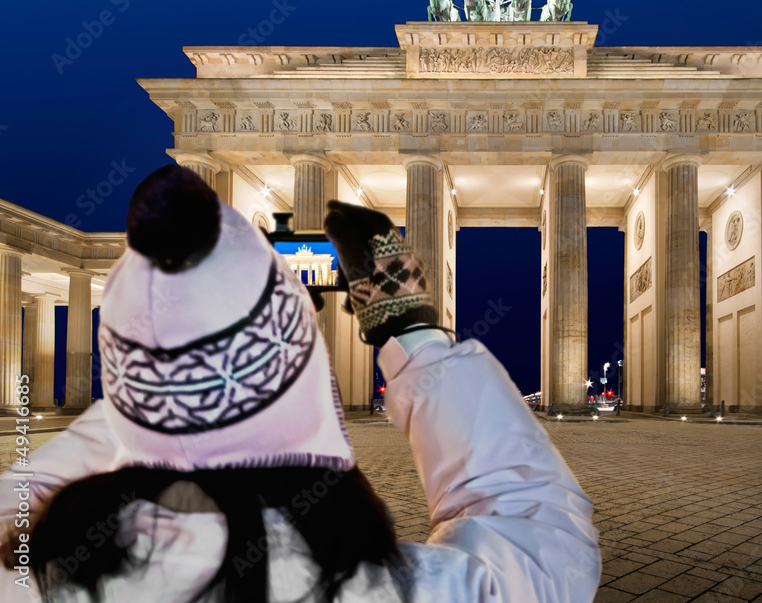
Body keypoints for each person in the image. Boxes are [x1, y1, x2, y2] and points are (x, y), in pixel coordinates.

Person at [0, 166, 600, 602]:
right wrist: (413, 331)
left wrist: (162, 371)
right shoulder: (384, 590)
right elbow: (542, 543)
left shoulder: (25, 569)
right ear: (302, 376)